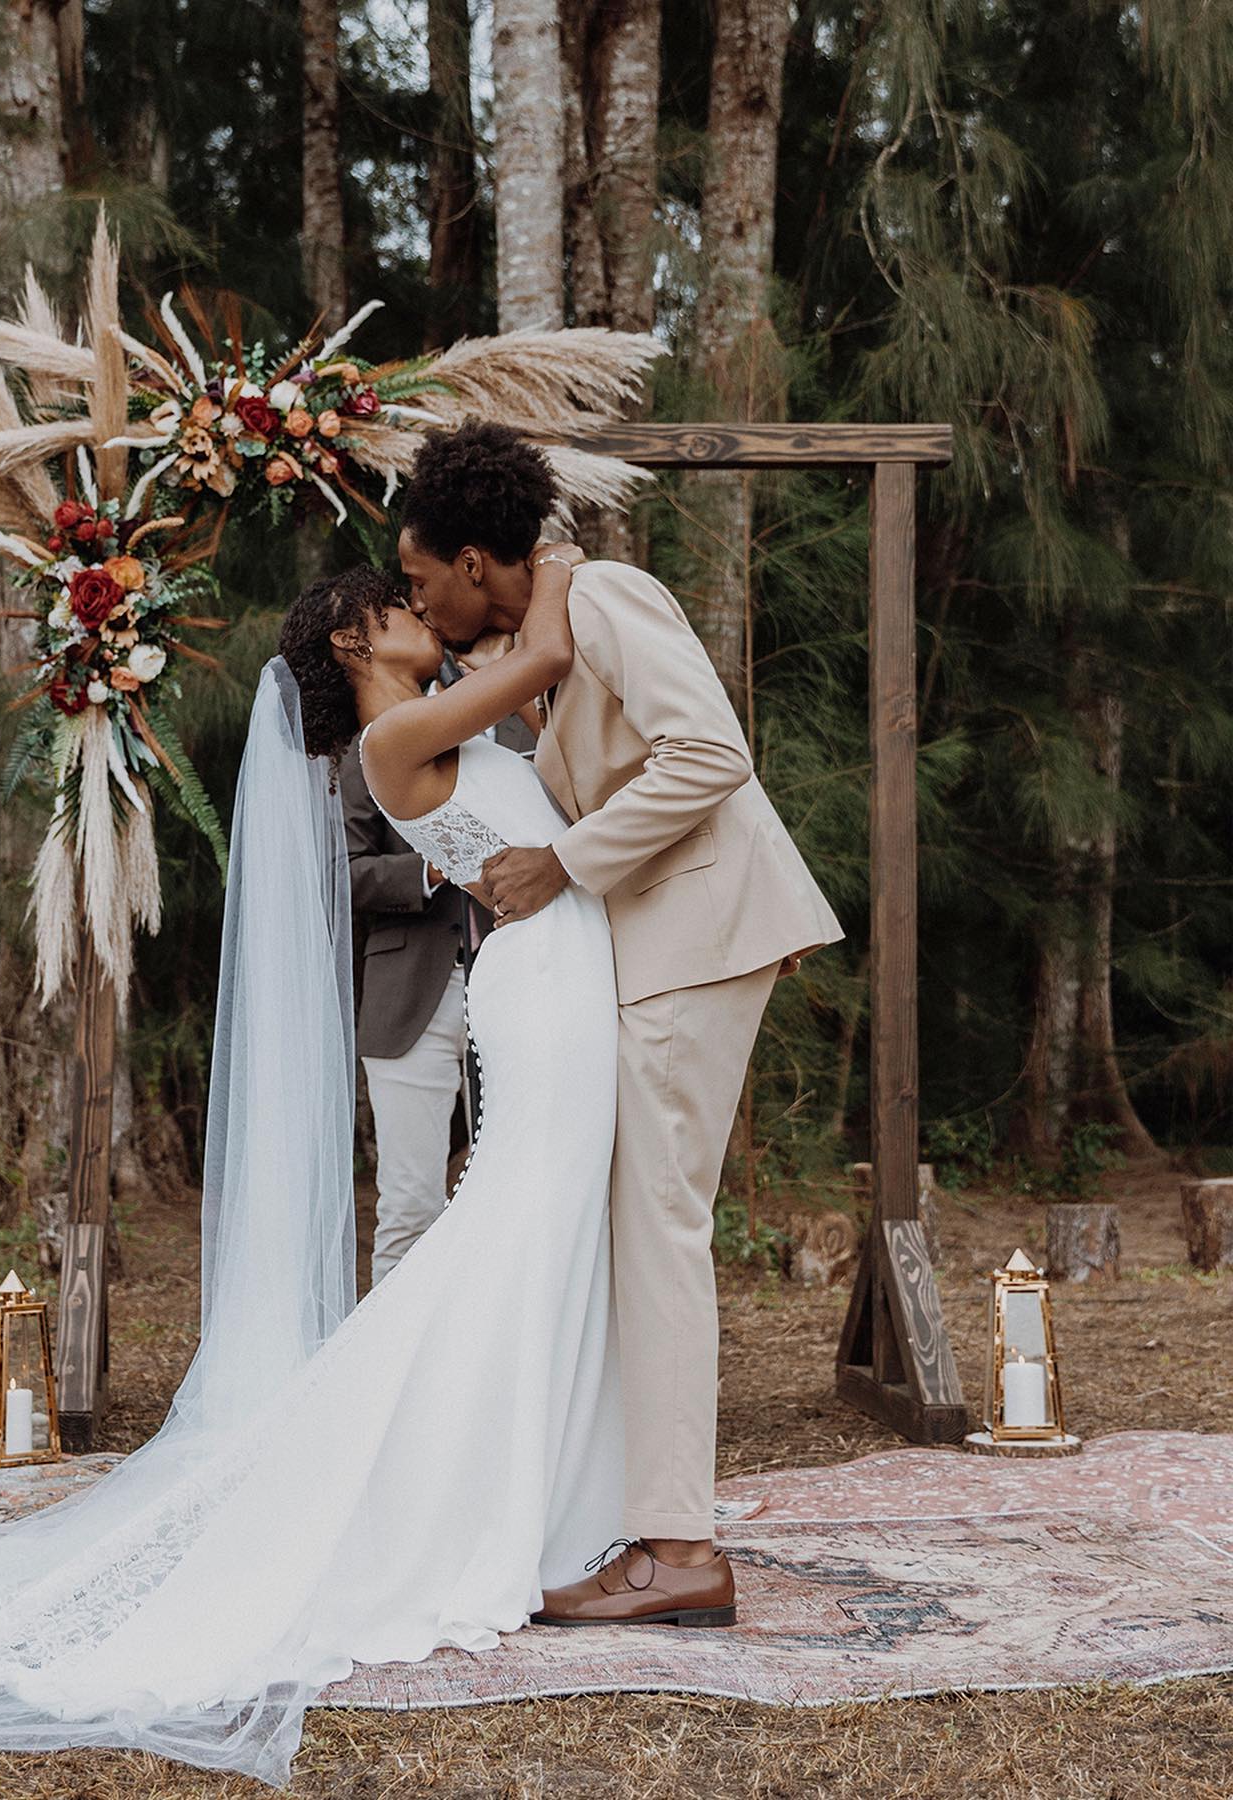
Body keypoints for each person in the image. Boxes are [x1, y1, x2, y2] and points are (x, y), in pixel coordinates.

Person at [0, 546, 641, 1791]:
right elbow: (552, 654)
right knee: (513, 1228)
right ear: (353, 645)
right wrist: (559, 565)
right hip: (548, 990)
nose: (418, 611)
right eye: (397, 604)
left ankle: (538, 1484)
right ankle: (470, 1489)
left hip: (559, 980)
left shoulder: (443, 709)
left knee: (535, 1231)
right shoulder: (393, 744)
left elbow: (544, 704)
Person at [397, 421, 844, 1625]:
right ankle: (635, 1518)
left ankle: (678, 1549)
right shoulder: (537, 643)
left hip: (697, 939)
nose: (419, 600)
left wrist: (566, 863)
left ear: (479, 560)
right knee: (635, 1225)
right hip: (648, 953)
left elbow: (712, 753)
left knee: (657, 1228)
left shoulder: (609, 599)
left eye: (423, 576)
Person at [340, 686, 534, 1283]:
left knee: (519, 1200)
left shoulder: (536, 728)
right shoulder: (377, 739)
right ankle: (389, 1372)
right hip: (410, 994)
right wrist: (431, 866)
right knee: (408, 1202)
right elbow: (339, 873)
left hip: (525, 982)